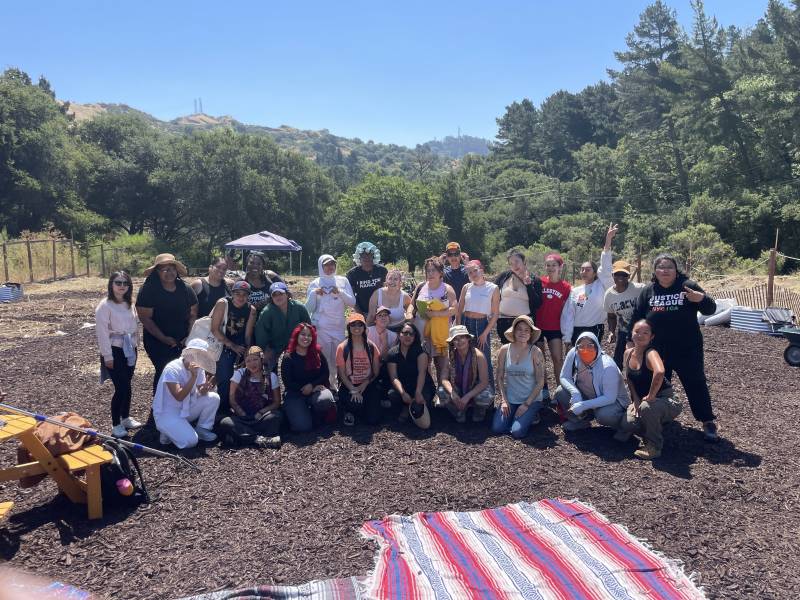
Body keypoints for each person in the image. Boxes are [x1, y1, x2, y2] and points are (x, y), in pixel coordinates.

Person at [630, 253, 719, 442]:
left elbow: (711, 309)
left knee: (695, 383)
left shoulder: (687, 286)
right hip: (657, 350)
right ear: (655, 271)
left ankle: (707, 420)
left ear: (676, 270)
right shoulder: (648, 291)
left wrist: (700, 299)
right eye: (660, 267)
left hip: (687, 348)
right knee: (659, 385)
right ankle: (661, 418)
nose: (665, 271)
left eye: (669, 267)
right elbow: (637, 318)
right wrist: (633, 343)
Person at [554, 331, 636, 440]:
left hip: (613, 402)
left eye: (590, 345)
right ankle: (581, 421)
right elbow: (564, 376)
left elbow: (609, 397)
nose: (585, 349)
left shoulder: (608, 366)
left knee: (603, 415)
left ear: (597, 346)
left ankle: (624, 427)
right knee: (561, 392)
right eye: (581, 346)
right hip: (588, 396)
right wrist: (575, 392)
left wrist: (583, 405)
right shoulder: (573, 353)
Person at [136, 253, 198, 394]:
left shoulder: (185, 288)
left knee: (181, 370)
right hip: (157, 341)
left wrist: (188, 336)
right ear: (157, 272)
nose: (169, 273)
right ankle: (159, 406)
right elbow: (145, 318)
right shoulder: (148, 290)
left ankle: (179, 402)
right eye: (164, 269)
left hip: (182, 340)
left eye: (172, 269)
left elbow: (193, 313)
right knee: (164, 370)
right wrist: (164, 338)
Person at [623, 320, 682, 460]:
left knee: (647, 408)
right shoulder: (627, 353)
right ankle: (657, 424)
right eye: (637, 331)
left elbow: (660, 371)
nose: (640, 335)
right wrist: (635, 399)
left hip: (665, 399)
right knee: (628, 423)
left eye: (645, 333)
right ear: (631, 333)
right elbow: (629, 378)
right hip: (643, 399)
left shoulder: (651, 353)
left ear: (652, 337)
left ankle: (654, 446)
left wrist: (651, 395)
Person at [95, 271, 141, 438]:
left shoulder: (130, 303)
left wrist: (136, 346)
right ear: (111, 284)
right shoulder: (105, 306)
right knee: (121, 387)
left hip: (129, 348)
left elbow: (135, 326)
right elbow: (102, 332)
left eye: (125, 283)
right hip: (115, 349)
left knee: (128, 385)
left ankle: (126, 417)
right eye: (118, 282)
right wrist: (107, 356)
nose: (121, 286)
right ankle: (116, 424)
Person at [153, 339, 220, 448]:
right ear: (187, 353)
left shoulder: (199, 369)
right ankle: (168, 430)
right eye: (194, 354)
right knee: (191, 441)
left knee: (213, 397)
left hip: (186, 408)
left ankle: (202, 429)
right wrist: (193, 377)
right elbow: (179, 396)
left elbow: (200, 391)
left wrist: (205, 389)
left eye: (200, 355)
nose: (196, 358)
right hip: (167, 413)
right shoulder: (172, 368)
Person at [561, 224, 617, 347]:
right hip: (576, 330)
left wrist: (608, 241)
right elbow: (569, 315)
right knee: (575, 360)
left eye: (587, 269)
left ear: (595, 272)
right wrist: (567, 337)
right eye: (582, 269)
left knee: (591, 359)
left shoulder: (601, 285)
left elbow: (606, 266)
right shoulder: (576, 291)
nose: (584, 272)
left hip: (595, 328)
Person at [306, 254, 356, 389]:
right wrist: (313, 294)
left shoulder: (343, 281)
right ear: (321, 266)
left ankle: (341, 385)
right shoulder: (314, 283)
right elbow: (308, 308)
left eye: (332, 264)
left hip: (338, 326)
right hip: (322, 328)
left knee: (339, 358)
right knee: (324, 358)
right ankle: (327, 386)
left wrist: (340, 292)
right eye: (326, 265)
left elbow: (352, 302)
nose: (330, 267)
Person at [492, 315, 546, 438]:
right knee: (497, 428)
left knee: (517, 433)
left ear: (531, 333)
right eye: (519, 329)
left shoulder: (535, 352)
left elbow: (540, 382)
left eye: (527, 330)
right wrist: (504, 400)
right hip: (510, 398)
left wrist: (526, 404)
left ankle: (532, 414)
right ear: (514, 331)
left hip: (530, 399)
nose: (523, 333)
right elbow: (499, 377)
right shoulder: (504, 349)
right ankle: (519, 417)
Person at [218, 346, 282, 448]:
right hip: (242, 417)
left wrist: (261, 412)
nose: (252, 364)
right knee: (225, 422)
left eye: (255, 359)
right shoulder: (239, 374)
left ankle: (241, 437)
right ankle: (259, 439)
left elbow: (277, 402)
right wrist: (241, 413)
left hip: (261, 417)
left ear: (261, 360)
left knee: (276, 416)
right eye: (248, 361)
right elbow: (232, 399)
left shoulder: (271, 376)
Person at [278, 323, 337, 432]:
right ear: (296, 336)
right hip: (295, 393)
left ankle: (314, 415)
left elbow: (325, 373)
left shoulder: (317, 352)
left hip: (315, 390)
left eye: (309, 335)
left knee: (326, 400)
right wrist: (305, 388)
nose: (306, 338)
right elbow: (287, 382)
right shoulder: (288, 357)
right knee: (303, 427)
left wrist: (312, 386)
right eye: (303, 334)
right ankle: (297, 412)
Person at [210, 280, 256, 416]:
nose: (240, 297)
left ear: (248, 296)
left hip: (239, 344)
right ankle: (222, 410)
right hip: (222, 342)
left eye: (244, 294)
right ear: (232, 293)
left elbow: (247, 335)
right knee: (224, 376)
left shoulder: (251, 310)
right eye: (237, 293)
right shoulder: (223, 304)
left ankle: (241, 405)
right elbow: (214, 329)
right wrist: (231, 345)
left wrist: (248, 352)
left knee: (245, 375)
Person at [411, 256, 457, 391]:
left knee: (441, 363)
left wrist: (436, 314)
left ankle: (443, 392)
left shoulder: (447, 289)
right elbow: (412, 305)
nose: (430, 274)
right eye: (428, 271)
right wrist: (409, 315)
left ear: (441, 273)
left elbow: (455, 309)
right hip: (422, 331)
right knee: (425, 363)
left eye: (433, 271)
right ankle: (429, 390)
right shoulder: (421, 286)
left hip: (441, 332)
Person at [456, 260, 499, 393]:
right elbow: (459, 308)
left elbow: (495, 314)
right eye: (470, 272)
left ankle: (489, 394)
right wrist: (458, 329)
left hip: (481, 325)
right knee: (465, 358)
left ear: (481, 269)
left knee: (484, 359)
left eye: (475, 270)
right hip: (465, 324)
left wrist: (485, 333)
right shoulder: (466, 287)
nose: (473, 274)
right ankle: (468, 391)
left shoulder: (493, 288)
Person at [534, 253, 571, 400]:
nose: (550, 268)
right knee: (539, 359)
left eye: (553, 265)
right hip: (538, 326)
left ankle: (560, 390)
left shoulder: (566, 287)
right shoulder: (539, 282)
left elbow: (569, 310)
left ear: (560, 267)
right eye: (548, 265)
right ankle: (543, 390)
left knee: (557, 359)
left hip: (555, 327)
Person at [439, 325, 493, 423]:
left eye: (462, 337)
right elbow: (443, 378)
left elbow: (484, 382)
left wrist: (467, 396)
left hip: (474, 388)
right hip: (457, 387)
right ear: (452, 343)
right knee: (442, 392)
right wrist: (452, 393)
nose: (459, 341)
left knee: (485, 396)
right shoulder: (449, 356)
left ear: (468, 339)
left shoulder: (478, 355)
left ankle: (478, 412)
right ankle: (458, 412)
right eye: (455, 339)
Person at [386, 320, 435, 429]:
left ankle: (411, 408)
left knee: (422, 399)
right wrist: (403, 393)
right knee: (392, 394)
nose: (408, 336)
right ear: (399, 335)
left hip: (421, 385)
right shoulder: (392, 353)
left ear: (415, 336)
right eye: (405, 333)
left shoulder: (421, 352)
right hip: (403, 385)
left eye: (411, 334)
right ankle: (406, 407)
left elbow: (422, 373)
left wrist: (418, 392)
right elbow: (393, 377)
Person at [335, 313, 382, 426]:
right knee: (355, 404)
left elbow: (376, 372)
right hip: (349, 385)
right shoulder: (342, 348)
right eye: (353, 325)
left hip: (367, 384)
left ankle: (362, 409)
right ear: (349, 328)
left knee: (373, 420)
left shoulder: (371, 347)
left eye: (360, 324)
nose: (357, 327)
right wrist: (354, 389)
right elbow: (342, 374)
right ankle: (348, 410)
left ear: (364, 327)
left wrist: (365, 384)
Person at [254, 282, 311, 371]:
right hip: (275, 350)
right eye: (274, 295)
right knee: (274, 377)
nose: (278, 297)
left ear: (287, 294)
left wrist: (305, 345)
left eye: (281, 293)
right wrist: (264, 351)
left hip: (297, 347)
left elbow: (309, 329)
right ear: (271, 298)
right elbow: (261, 335)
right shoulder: (267, 312)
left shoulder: (299, 307)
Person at [604, 260, 645, 369]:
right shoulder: (609, 295)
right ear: (613, 275)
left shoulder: (640, 289)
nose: (620, 277)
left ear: (629, 276)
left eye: (624, 274)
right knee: (618, 360)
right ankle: (618, 383)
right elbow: (611, 316)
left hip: (642, 331)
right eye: (617, 274)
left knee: (642, 358)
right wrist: (612, 332)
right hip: (624, 331)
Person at [494, 249, 543, 341]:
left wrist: (529, 286)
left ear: (524, 261)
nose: (514, 265)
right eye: (511, 263)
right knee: (507, 352)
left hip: (524, 323)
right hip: (504, 322)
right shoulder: (503, 277)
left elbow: (537, 304)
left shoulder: (535, 280)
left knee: (524, 351)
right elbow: (493, 294)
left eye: (517, 261)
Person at [346, 242, 388, 315]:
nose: (366, 258)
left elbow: (388, 290)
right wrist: (359, 313)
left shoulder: (382, 270)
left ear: (374, 256)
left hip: (381, 310)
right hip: (361, 311)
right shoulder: (352, 274)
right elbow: (351, 296)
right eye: (363, 256)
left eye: (369, 255)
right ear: (359, 257)